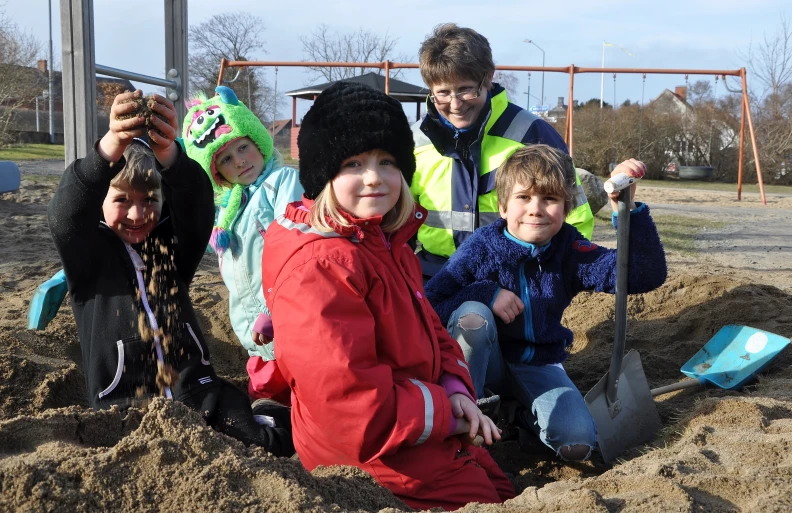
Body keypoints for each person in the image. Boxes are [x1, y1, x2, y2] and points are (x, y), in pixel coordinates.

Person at [261, 82, 516, 511]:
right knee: (483, 497)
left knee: (500, 491)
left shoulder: (382, 242)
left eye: (387, 162)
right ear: (323, 176)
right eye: (354, 164)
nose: (374, 177)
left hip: (410, 425)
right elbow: (348, 403)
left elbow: (430, 327)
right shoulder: (322, 268)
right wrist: (445, 411)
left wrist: (454, 385)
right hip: (370, 460)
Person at [48, 90, 293, 456]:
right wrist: (113, 142)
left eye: (149, 199)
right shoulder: (89, 262)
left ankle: (270, 410)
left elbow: (195, 201)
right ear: (100, 204)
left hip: (201, 398)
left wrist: (168, 153)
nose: (137, 213)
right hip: (125, 411)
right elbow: (66, 211)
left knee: (276, 442)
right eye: (121, 200)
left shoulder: (170, 252)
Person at [425, 145, 667, 461]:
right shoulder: (481, 248)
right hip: (481, 364)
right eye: (523, 198)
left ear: (565, 209)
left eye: (550, 199)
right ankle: (464, 420)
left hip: (538, 364)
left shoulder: (569, 250)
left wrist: (628, 209)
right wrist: (486, 293)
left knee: (578, 445)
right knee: (474, 317)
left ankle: (516, 417)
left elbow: (642, 275)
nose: (536, 209)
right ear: (502, 207)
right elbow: (429, 306)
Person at [412, 23, 594, 281]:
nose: (455, 104)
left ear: (488, 77)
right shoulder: (416, 142)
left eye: (465, 89)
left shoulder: (533, 136)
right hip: (434, 276)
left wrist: (548, 284)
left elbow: (574, 218)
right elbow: (395, 222)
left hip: (515, 277)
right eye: (442, 93)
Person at [183, 86, 303, 406]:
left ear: (257, 141)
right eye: (225, 158)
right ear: (216, 172)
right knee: (266, 403)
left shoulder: (281, 183)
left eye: (243, 148)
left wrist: (272, 309)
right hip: (257, 339)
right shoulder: (227, 212)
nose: (239, 161)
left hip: (291, 325)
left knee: (307, 396)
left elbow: (297, 251)